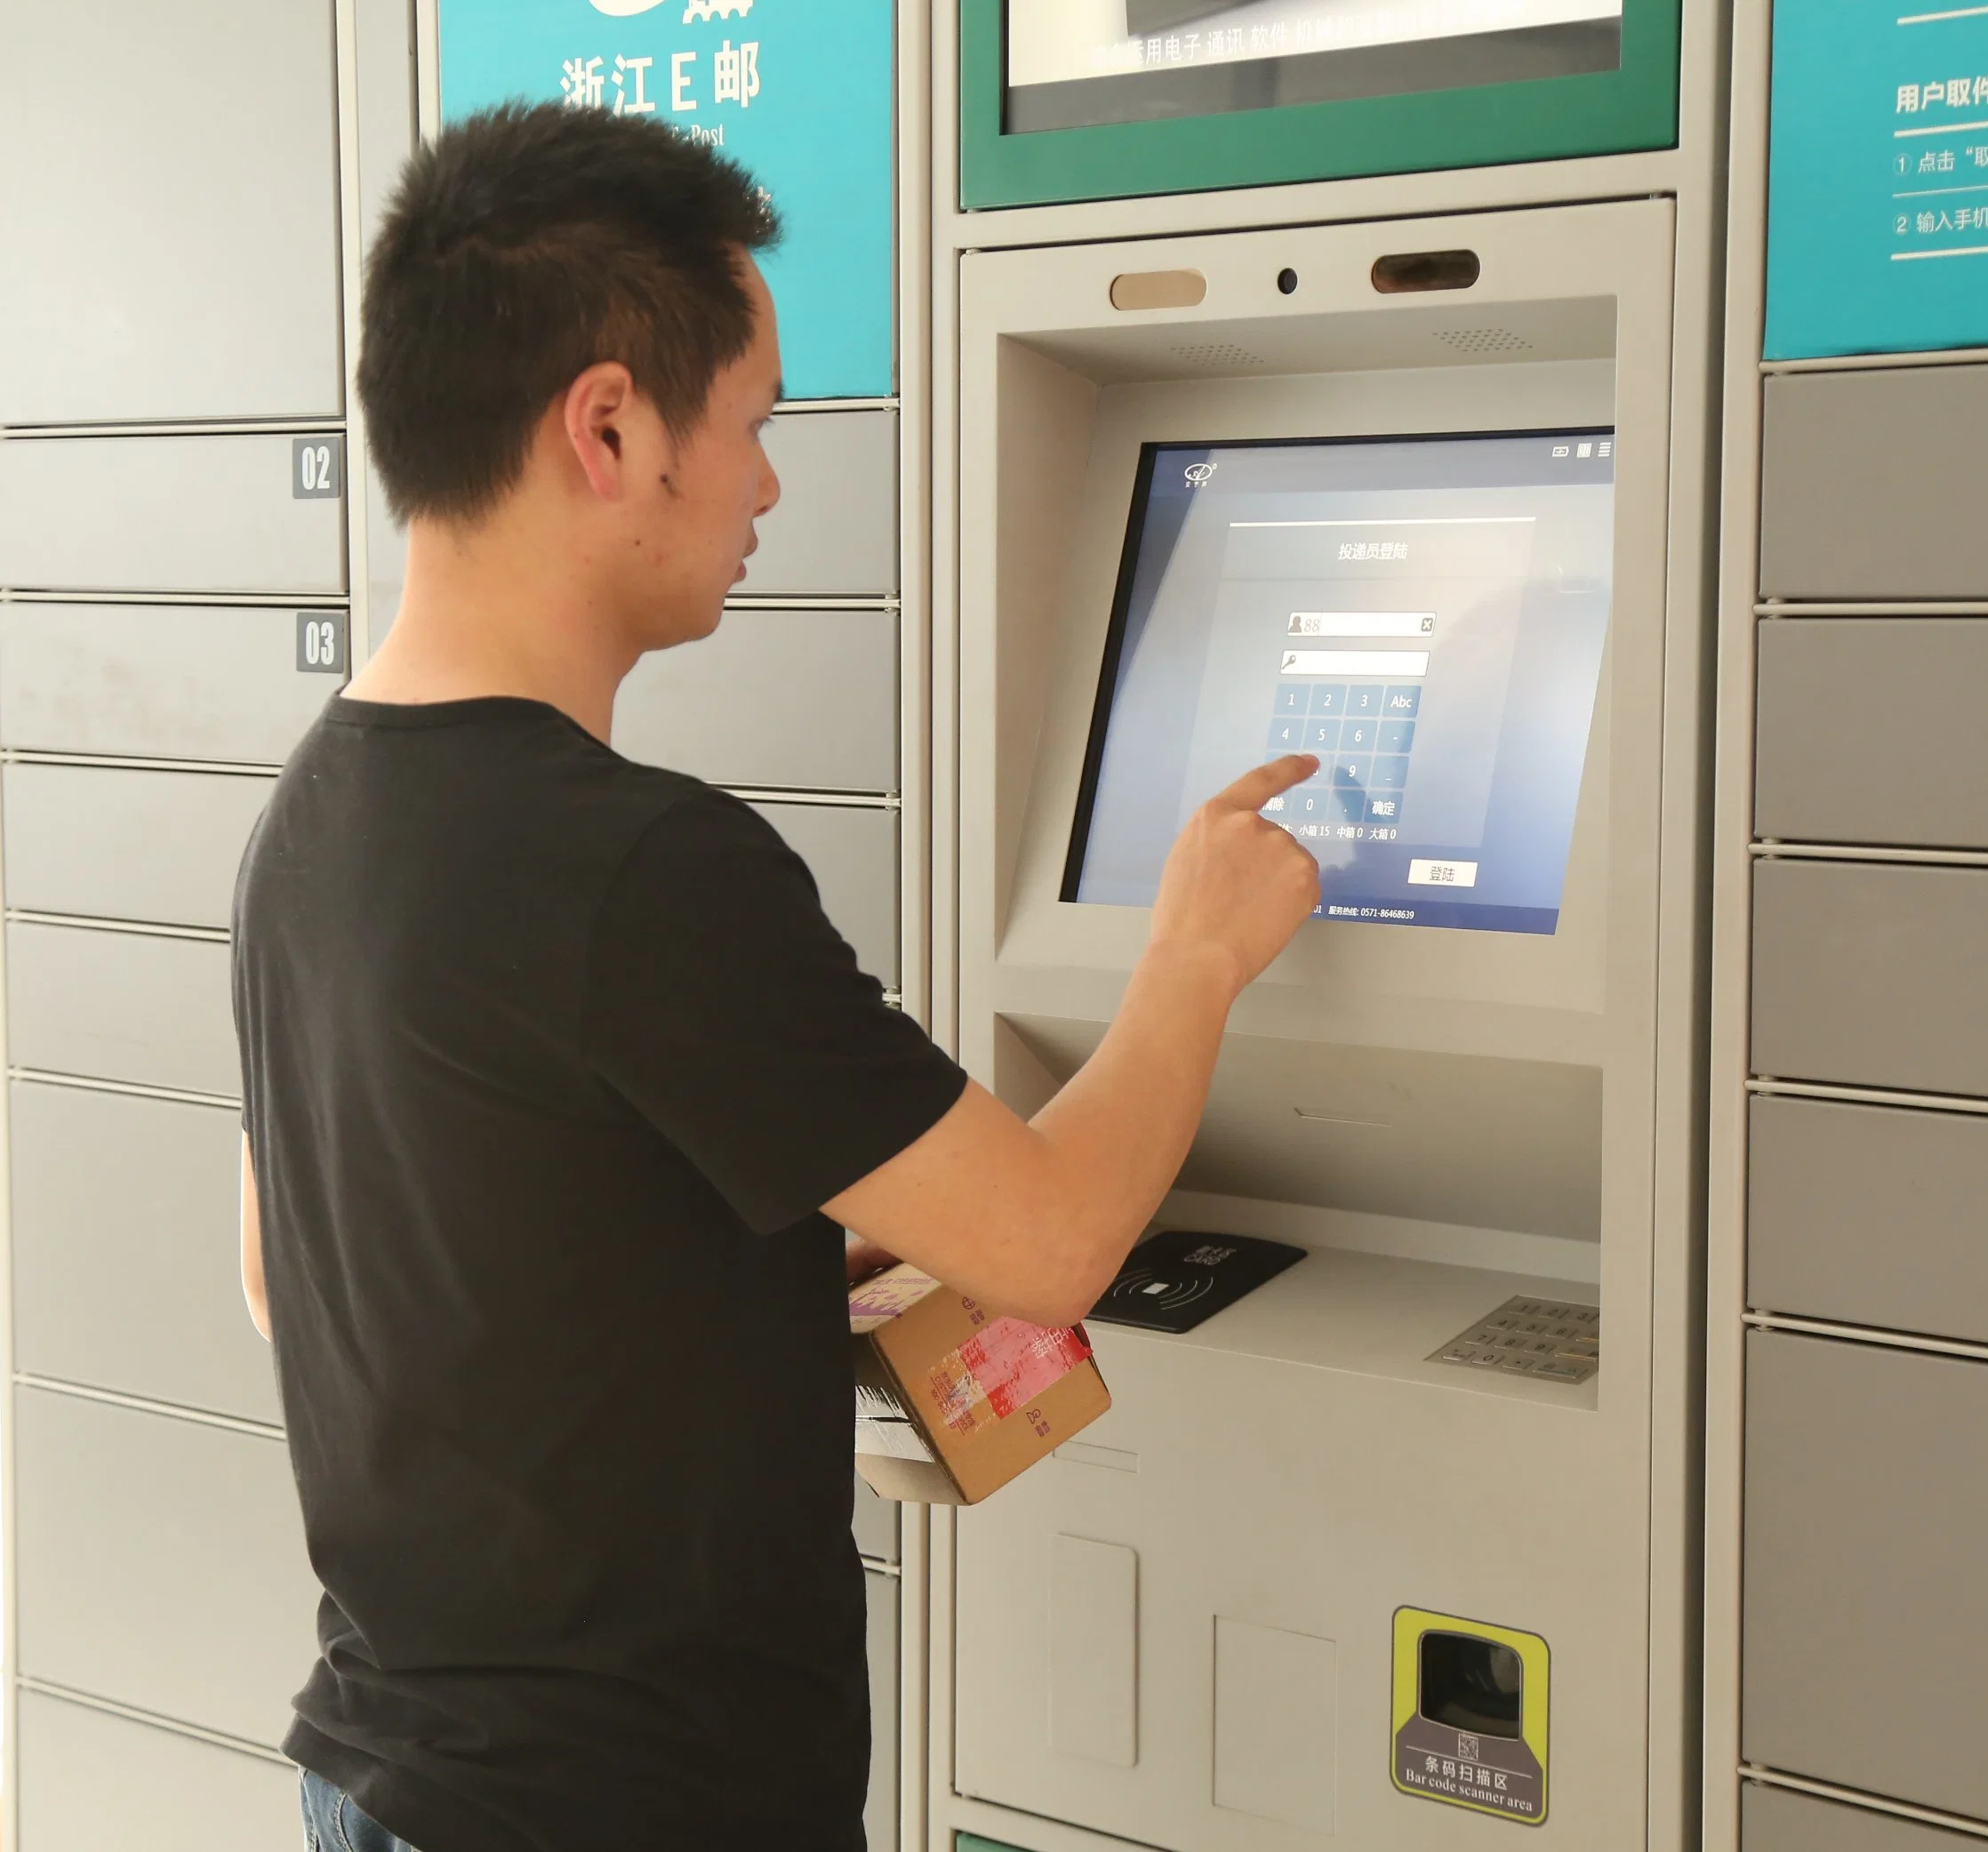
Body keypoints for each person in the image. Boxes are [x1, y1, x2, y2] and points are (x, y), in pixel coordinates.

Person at [232, 101, 1319, 1852]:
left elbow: (320, 1279)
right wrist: (1195, 948)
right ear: (607, 428)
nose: (764, 482)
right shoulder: (642, 864)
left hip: (385, 1775)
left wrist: (714, 1272)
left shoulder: (314, 813)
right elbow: (1049, 1240)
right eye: (748, 422)